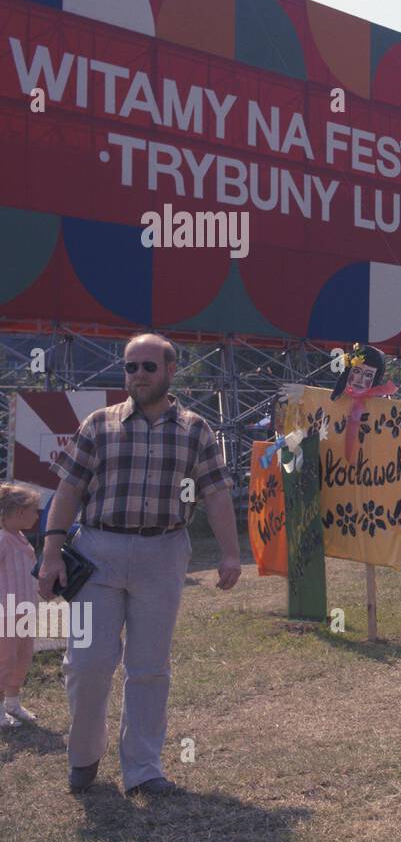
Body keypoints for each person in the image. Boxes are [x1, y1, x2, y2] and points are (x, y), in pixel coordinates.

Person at [38, 334, 241, 795]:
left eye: (148, 367)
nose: (138, 376)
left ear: (171, 371)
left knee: (149, 667)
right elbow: (68, 491)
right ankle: (84, 757)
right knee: (87, 664)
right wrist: (51, 552)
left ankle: (144, 770)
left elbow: (215, 492)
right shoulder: (98, 424)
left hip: (163, 552)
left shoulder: (195, 429)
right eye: (130, 367)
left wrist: (231, 552)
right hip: (96, 551)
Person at [0, 482, 42, 728]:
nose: (37, 515)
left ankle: (12, 702)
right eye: (34, 510)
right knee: (4, 658)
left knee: (23, 657)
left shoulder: (21, 538)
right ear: (19, 513)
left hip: (24, 611)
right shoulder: (3, 540)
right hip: (6, 613)